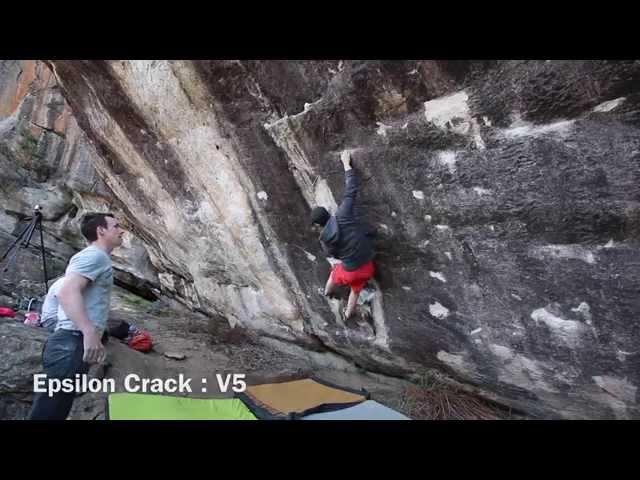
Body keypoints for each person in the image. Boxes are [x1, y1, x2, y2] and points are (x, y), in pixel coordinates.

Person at [29, 212, 124, 420]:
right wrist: (89, 332)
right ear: (101, 231)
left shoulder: (99, 258)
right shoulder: (94, 256)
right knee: (50, 410)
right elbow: (67, 291)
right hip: (71, 341)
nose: (121, 230)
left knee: (56, 408)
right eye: (116, 226)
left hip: (72, 342)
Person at [311, 150, 375, 320]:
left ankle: (327, 292)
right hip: (367, 266)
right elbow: (351, 190)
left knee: (334, 273)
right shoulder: (343, 214)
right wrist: (346, 164)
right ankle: (348, 313)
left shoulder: (325, 241)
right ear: (328, 213)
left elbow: (333, 255)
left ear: (319, 225)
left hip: (350, 271)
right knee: (356, 290)